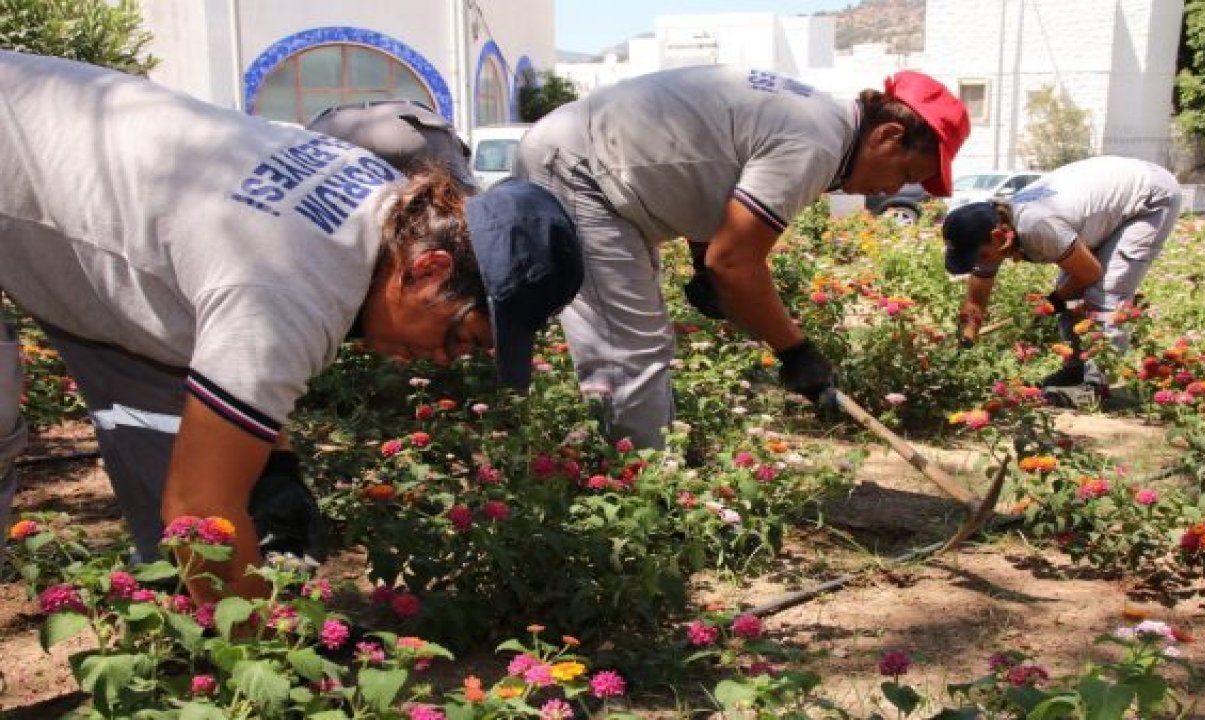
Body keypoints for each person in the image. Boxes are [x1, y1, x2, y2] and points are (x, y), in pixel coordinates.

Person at [0, 51, 582, 601]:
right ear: (430, 268)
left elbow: (233, 342)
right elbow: (197, 510)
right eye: (460, 338)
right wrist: (264, 658)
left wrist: (273, 465)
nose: (441, 360)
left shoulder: (376, 194)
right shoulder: (291, 285)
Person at [514, 65, 970, 448]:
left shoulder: (821, 124)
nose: (893, 190)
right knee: (628, 349)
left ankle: (634, 466)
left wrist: (700, 256)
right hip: (579, 167)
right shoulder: (816, 143)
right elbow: (734, 263)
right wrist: (796, 351)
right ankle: (642, 494)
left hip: (592, 165)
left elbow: (709, 164)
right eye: (905, 173)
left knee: (629, 338)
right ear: (889, 135)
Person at [943, 155, 1181, 389]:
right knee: (1073, 296)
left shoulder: (1037, 226)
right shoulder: (993, 235)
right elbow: (976, 298)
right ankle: (1076, 368)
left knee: (1105, 294)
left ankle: (1097, 385)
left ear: (998, 237)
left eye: (981, 257)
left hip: (1148, 195)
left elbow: (1090, 273)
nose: (981, 263)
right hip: (1105, 201)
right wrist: (967, 339)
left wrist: (1053, 301)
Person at [306, 98, 479, 192]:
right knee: (456, 198)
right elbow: (466, 188)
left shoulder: (323, 120)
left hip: (332, 128)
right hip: (413, 128)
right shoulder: (424, 115)